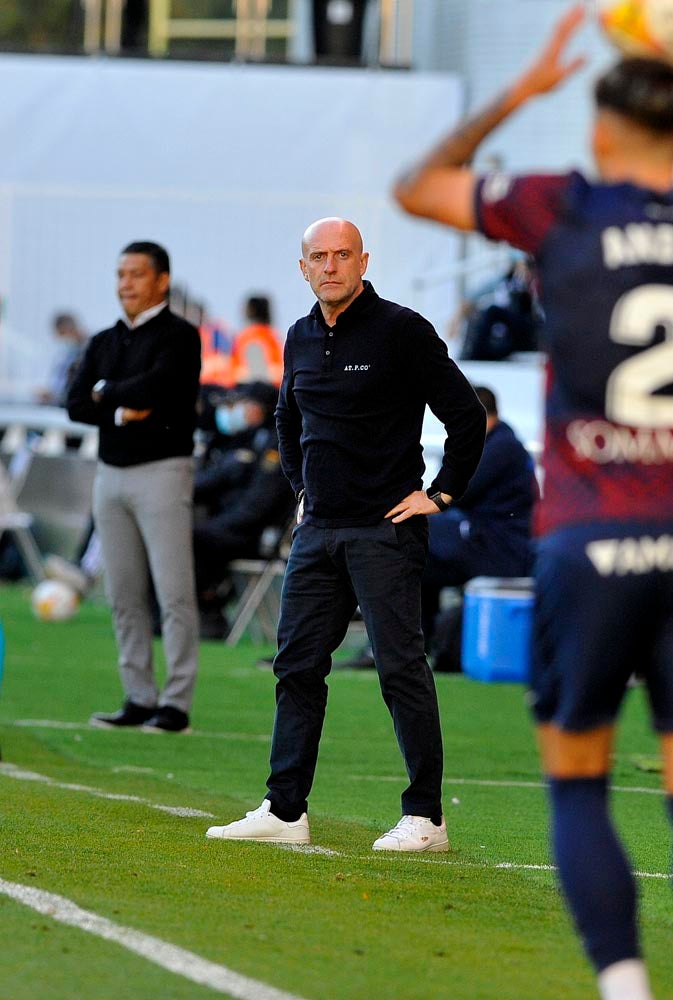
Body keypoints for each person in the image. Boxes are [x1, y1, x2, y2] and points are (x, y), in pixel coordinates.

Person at [393, 6, 673, 998]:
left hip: (590, 537)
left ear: (597, 129)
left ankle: (625, 983)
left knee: (578, 775)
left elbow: (416, 188)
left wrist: (516, 94)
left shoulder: (564, 206)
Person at [205, 216, 486, 851]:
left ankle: (426, 818)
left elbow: (467, 416)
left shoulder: (402, 330)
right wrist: (303, 494)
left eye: (342, 255)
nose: (330, 266)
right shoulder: (300, 335)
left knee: (399, 669)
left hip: (385, 531)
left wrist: (439, 495)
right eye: (318, 257)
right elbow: (286, 421)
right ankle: (283, 811)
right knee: (297, 667)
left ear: (363, 261)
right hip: (318, 533)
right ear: (302, 267)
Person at [67, 241, 201, 734]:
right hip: (110, 474)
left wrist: (106, 393)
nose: (126, 282)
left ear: (161, 280)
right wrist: (118, 405)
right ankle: (139, 696)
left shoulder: (181, 336)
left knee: (173, 591)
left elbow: (161, 388)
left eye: (136, 273)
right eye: (121, 273)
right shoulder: (103, 340)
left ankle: (176, 703)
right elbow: (76, 403)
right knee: (122, 591)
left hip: (163, 471)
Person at [423, 384, 538, 668]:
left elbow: (454, 491)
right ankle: (420, 642)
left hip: (501, 551)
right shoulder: (500, 444)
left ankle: (419, 642)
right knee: (419, 554)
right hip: (491, 544)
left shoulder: (501, 448)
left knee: (415, 537)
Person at [193, 380, 295, 639]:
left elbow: (259, 506)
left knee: (197, 539)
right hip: (239, 524)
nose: (239, 410)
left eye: (246, 404)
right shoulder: (248, 439)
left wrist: (218, 525)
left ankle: (210, 606)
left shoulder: (275, 444)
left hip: (255, 534)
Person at [35, 312, 88, 407]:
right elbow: (59, 378)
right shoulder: (68, 351)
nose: (62, 339)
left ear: (69, 329)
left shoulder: (90, 348)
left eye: (62, 334)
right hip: (60, 403)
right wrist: (52, 394)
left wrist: (56, 396)